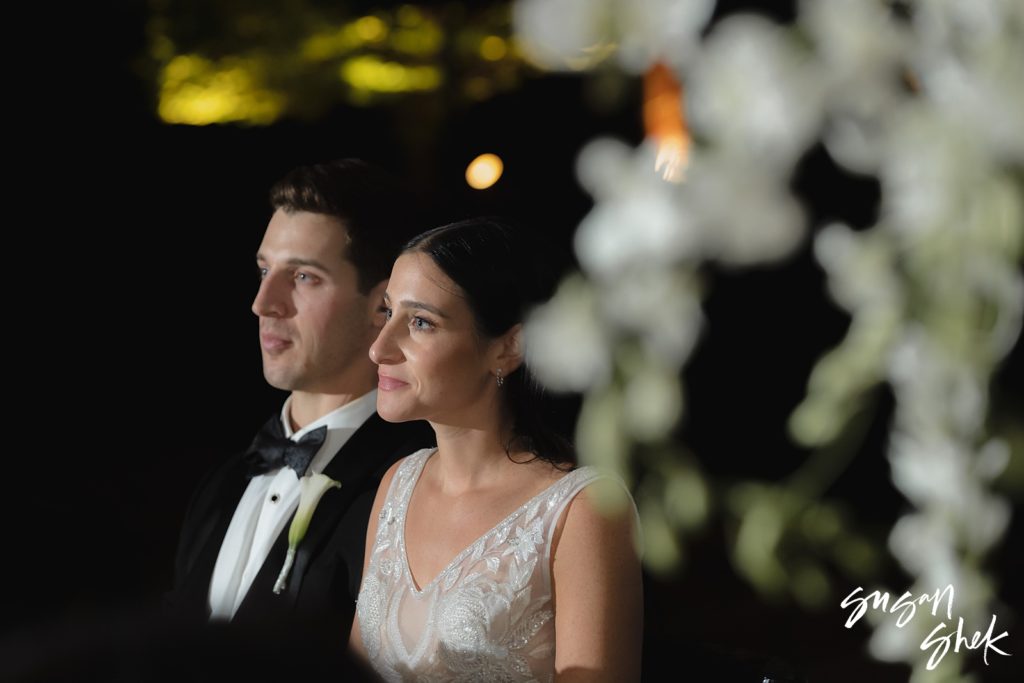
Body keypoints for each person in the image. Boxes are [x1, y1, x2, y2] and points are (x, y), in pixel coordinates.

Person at [350, 218, 643, 681]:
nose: (380, 348)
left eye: (421, 322)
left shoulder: (582, 508)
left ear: (508, 348)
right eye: (388, 313)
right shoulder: (397, 483)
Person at [167, 159, 434, 637]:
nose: (264, 302)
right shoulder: (222, 483)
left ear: (383, 306)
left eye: (304, 276)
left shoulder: (411, 489)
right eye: (264, 269)